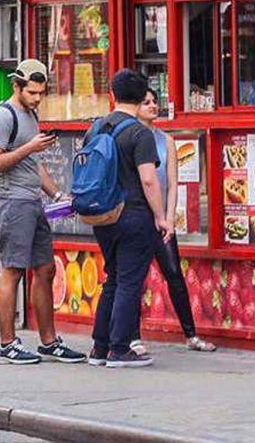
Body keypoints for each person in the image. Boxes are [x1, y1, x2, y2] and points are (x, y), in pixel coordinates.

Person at [0, 59, 86, 364]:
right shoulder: (4, 117)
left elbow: (34, 165)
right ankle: (6, 345)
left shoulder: (30, 114)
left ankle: (49, 342)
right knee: (13, 270)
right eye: (32, 92)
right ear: (16, 86)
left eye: (41, 92)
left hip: (33, 202)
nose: (38, 98)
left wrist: (57, 194)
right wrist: (29, 147)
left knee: (45, 268)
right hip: (12, 202)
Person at [88, 69, 171, 369]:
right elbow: (149, 179)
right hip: (134, 214)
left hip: (103, 214)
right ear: (140, 98)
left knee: (112, 279)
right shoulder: (140, 133)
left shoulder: (96, 128)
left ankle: (100, 347)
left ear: (113, 95)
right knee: (129, 282)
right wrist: (160, 216)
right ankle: (120, 348)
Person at [132, 88, 214, 355]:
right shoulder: (131, 137)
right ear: (135, 107)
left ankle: (191, 334)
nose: (152, 106)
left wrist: (168, 217)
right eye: (146, 102)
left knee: (174, 274)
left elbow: (173, 183)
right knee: (133, 278)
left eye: (154, 101)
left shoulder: (165, 140)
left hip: (162, 220)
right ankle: (132, 336)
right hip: (137, 216)